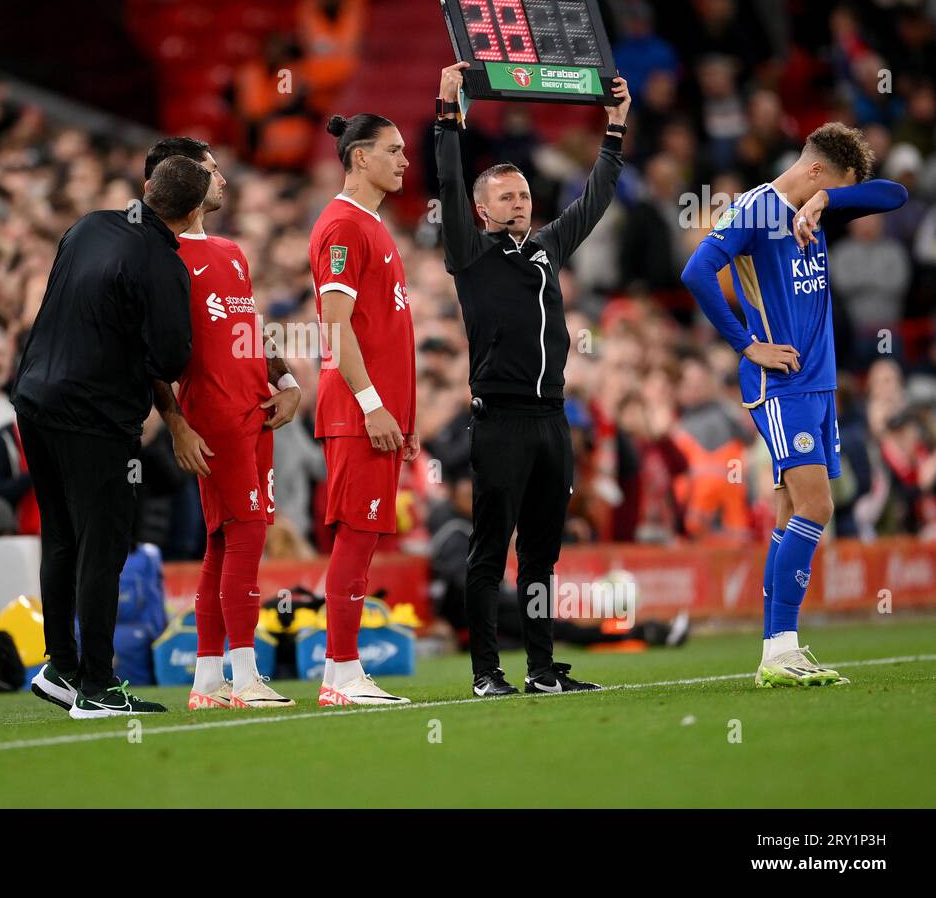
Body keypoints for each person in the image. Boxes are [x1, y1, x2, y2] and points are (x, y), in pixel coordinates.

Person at [681, 122, 908, 686]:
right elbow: (696, 271)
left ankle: (779, 649)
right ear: (811, 169)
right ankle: (778, 648)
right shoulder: (757, 209)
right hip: (781, 384)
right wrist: (746, 343)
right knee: (818, 507)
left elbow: (895, 194)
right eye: (829, 184)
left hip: (818, 384)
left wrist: (832, 197)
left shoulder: (818, 207)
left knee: (791, 513)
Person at [434, 62, 630, 697]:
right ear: (481, 209)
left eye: (523, 195)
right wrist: (448, 112)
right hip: (501, 421)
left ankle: (543, 671)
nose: (520, 203)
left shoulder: (547, 248)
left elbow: (596, 197)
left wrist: (616, 129)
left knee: (542, 557)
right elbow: (446, 173)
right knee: (489, 554)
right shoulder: (469, 253)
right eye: (507, 197)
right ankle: (488, 673)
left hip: (552, 419)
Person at [14, 155, 207, 718]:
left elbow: (58, 298)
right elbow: (170, 357)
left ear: (146, 188)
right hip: (94, 417)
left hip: (35, 400)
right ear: (192, 212)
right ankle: (96, 685)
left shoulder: (90, 224)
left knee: (61, 538)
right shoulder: (164, 264)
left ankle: (62, 667)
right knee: (102, 549)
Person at [143, 136, 302, 710]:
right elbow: (152, 352)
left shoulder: (231, 252)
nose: (223, 181)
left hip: (255, 406)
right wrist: (179, 421)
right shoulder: (162, 261)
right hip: (217, 413)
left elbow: (249, 326)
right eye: (212, 172)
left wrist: (284, 382)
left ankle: (208, 682)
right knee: (247, 536)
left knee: (222, 543)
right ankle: (246, 675)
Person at [308, 112, 417, 706]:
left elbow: (385, 333)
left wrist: (402, 417)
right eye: (393, 151)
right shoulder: (344, 226)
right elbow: (333, 326)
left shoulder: (372, 224)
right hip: (358, 412)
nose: (404, 161)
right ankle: (342, 675)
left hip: (378, 414)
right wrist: (375, 406)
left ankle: (342, 674)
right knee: (354, 538)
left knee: (365, 538)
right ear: (358, 158)